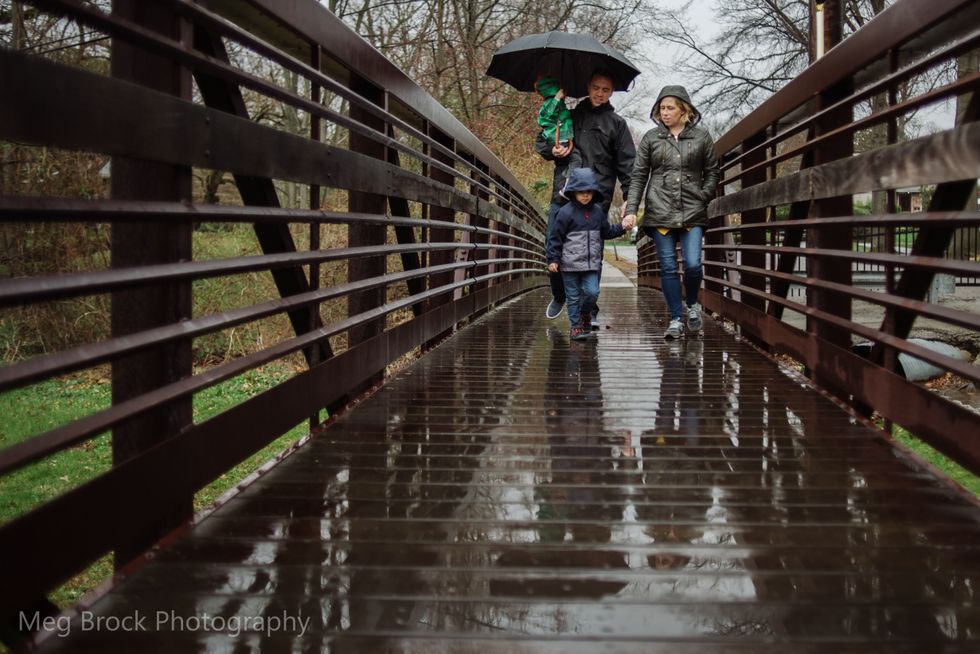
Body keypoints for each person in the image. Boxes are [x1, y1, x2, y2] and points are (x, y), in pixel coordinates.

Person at [537, 70, 636, 324]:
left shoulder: (617, 124)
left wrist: (629, 198)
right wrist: (554, 150)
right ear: (588, 87)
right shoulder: (568, 114)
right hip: (564, 193)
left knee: (592, 255)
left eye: (605, 89)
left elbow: (627, 165)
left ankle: (588, 310)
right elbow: (542, 141)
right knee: (553, 250)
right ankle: (559, 294)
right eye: (595, 87)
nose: (599, 93)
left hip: (597, 199)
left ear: (611, 92)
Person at [624, 85, 719, 339]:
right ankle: (676, 318)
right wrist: (631, 210)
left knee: (692, 264)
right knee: (667, 267)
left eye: (670, 108)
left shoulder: (701, 137)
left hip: (692, 210)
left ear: (683, 110)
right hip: (660, 210)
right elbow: (639, 176)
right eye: (661, 108)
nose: (664, 113)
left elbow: (712, 171)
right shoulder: (651, 138)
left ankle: (692, 304)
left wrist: (703, 195)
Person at [546, 168, 633, 341]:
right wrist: (553, 259)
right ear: (573, 192)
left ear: (594, 192)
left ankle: (585, 312)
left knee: (592, 292)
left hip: (591, 264)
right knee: (572, 296)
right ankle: (575, 327)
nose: (585, 195)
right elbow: (555, 238)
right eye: (581, 192)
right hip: (569, 264)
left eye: (589, 192)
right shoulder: (565, 213)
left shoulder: (597, 212)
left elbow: (606, 232)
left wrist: (622, 227)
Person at [534, 76, 574, 150]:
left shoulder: (553, 101)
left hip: (563, 136)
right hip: (559, 137)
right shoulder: (551, 102)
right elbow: (550, 113)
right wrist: (557, 98)